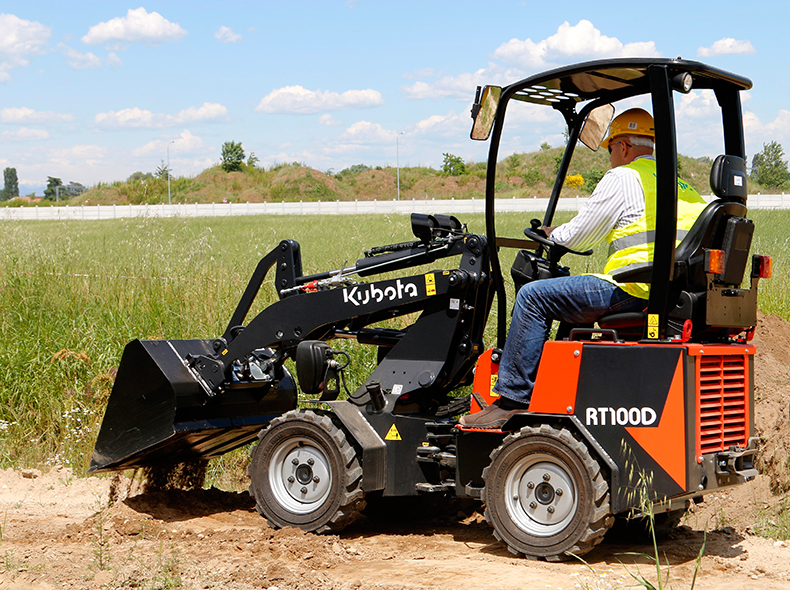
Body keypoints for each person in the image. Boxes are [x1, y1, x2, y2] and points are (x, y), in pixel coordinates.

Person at [460, 108, 707, 428]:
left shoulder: (624, 177)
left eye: (609, 149)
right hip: (670, 293)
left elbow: (582, 233)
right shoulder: (683, 186)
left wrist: (553, 235)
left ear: (622, 147)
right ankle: (554, 386)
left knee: (533, 297)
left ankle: (511, 399)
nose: (610, 156)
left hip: (631, 288)